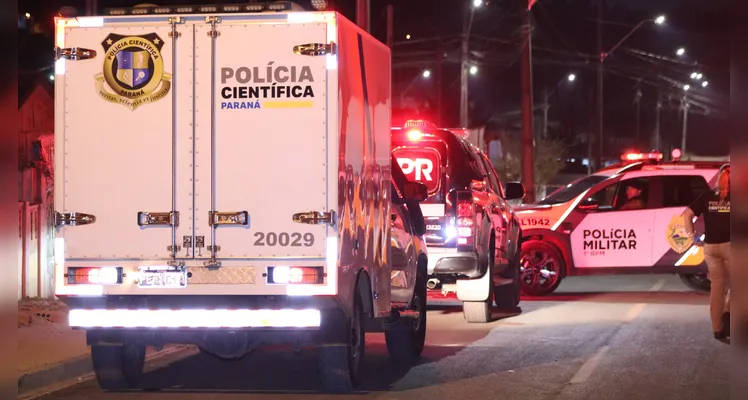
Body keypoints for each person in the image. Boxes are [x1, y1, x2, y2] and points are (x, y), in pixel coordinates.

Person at [682, 164, 730, 339]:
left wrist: (692, 236)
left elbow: (687, 214)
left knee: (717, 286)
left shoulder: (707, 196)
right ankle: (728, 314)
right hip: (731, 247)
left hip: (710, 247)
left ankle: (718, 329)